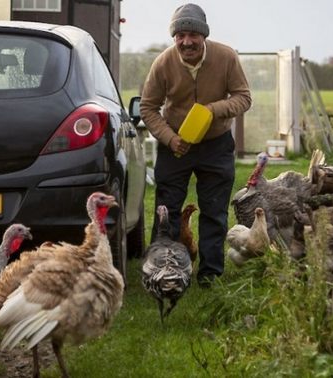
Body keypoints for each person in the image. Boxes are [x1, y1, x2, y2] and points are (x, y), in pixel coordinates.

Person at [140, 3, 252, 287]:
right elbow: (148, 107)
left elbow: (243, 97)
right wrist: (169, 138)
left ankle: (210, 274)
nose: (186, 42)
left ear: (203, 36)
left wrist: (214, 109)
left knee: (214, 211)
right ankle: (162, 273)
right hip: (175, 146)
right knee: (167, 211)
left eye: (192, 35)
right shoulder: (163, 63)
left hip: (216, 144)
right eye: (180, 36)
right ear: (174, 37)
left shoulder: (226, 57)